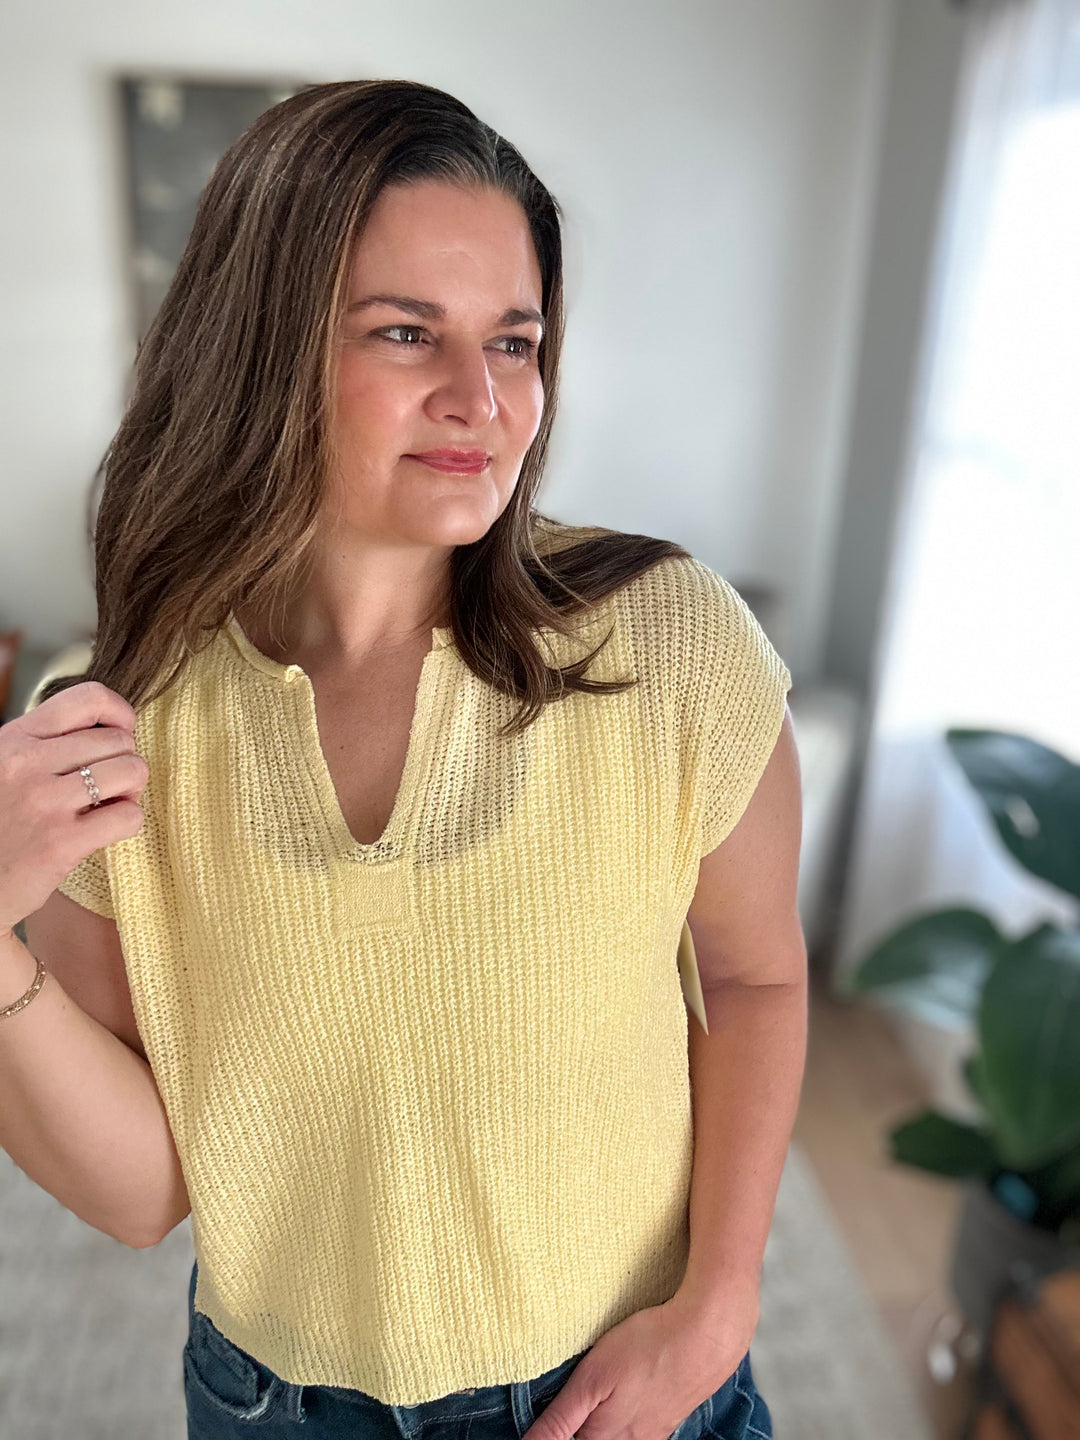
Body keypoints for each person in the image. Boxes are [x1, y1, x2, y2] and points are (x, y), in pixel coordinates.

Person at [0, 79, 806, 1439]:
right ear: (263, 347)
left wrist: (717, 1311)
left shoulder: (667, 642)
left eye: (516, 339)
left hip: (627, 1393)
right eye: (405, 332)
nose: (479, 400)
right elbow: (142, 1192)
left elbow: (757, 974)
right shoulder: (119, 718)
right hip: (275, 1407)